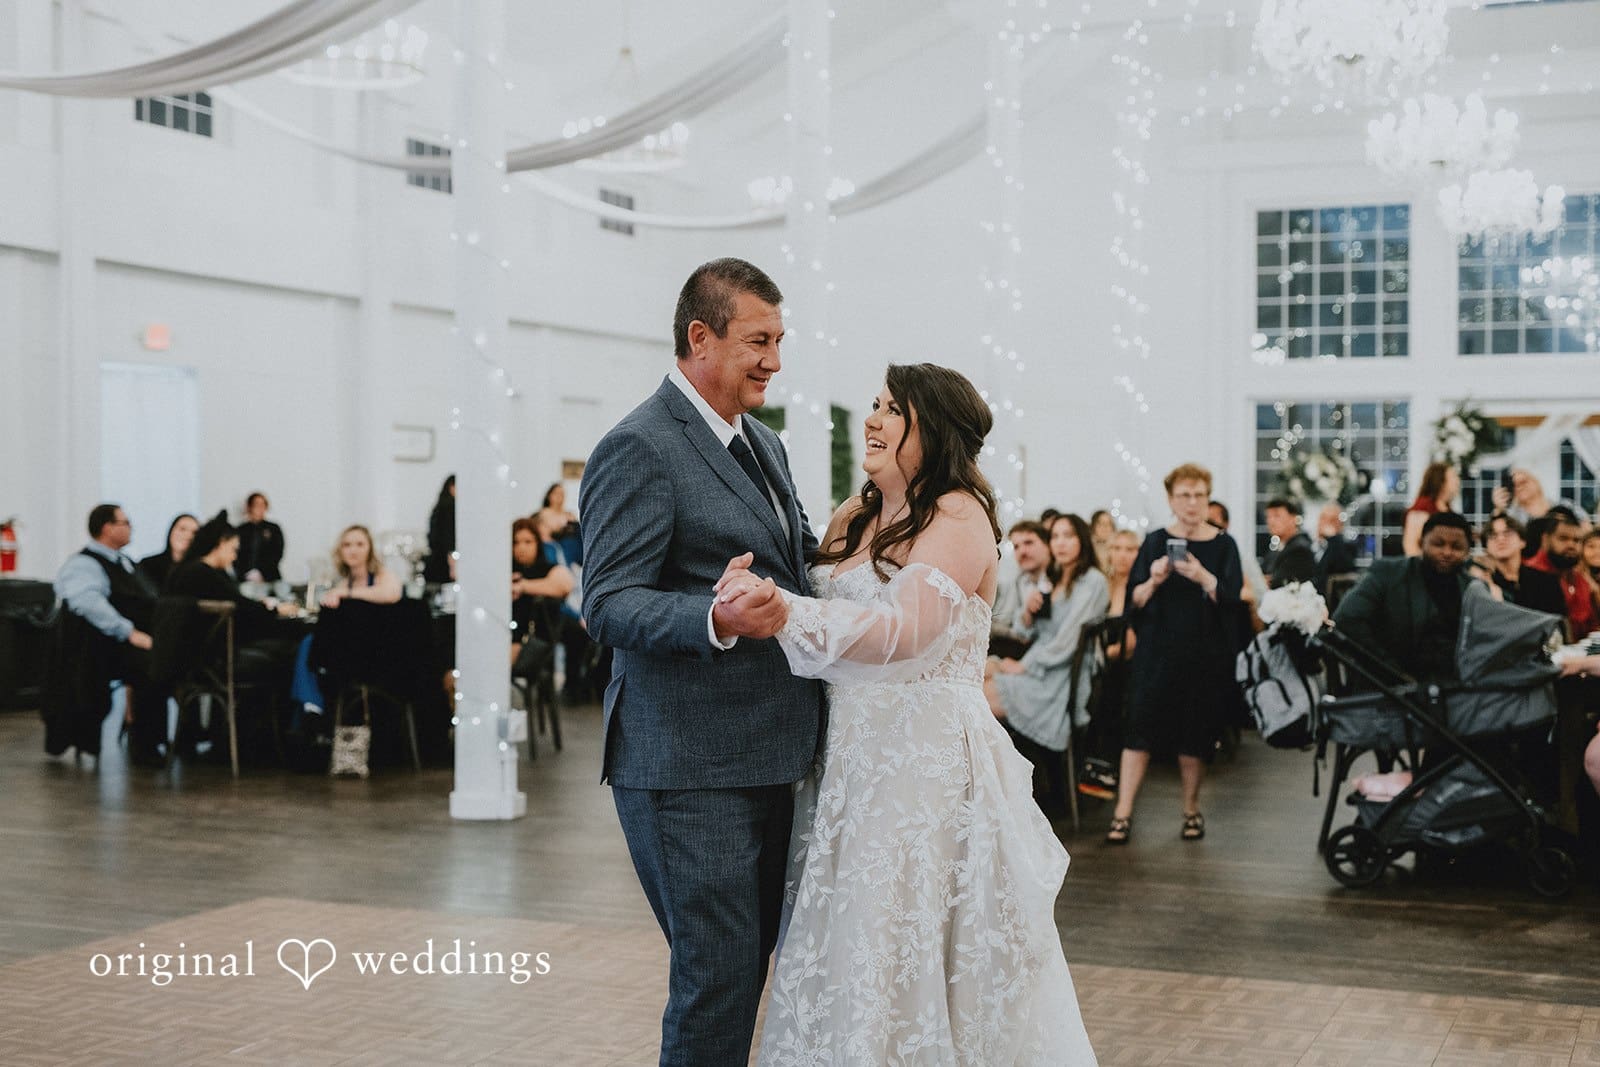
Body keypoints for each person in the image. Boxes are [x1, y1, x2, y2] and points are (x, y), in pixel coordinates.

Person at [716, 363, 1096, 1064]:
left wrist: (782, 611)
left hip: (924, 768)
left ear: (939, 432)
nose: (873, 420)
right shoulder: (851, 514)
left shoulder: (960, 515)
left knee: (904, 936)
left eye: (894, 410)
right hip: (846, 760)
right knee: (843, 937)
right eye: (874, 404)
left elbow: (906, 634)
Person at [578, 258, 825, 1066]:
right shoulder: (638, 446)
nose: (775, 360)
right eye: (759, 340)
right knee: (716, 982)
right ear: (700, 337)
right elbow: (607, 600)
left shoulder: (767, 443)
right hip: (687, 768)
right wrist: (712, 615)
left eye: (780, 340)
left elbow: (800, 562)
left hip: (769, 754)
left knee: (743, 970)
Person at [1107, 464, 1244, 845]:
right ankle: (1122, 814)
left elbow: (1232, 600)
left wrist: (1203, 576)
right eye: (1184, 495)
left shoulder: (1223, 544)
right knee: (1139, 729)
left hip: (1203, 654)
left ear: (1207, 497)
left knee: (1194, 735)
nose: (1192, 502)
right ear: (1171, 499)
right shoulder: (1153, 541)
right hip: (1155, 653)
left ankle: (1191, 809)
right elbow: (1132, 600)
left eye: (1199, 494)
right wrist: (1154, 578)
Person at [986, 512, 1110, 817]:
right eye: (1055, 536)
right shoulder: (1053, 578)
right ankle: (1005, 789)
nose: (1061, 543)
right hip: (1044, 669)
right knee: (976, 679)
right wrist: (1028, 612)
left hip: (1062, 680)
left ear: (1082, 539)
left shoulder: (1092, 580)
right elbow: (1027, 632)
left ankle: (1005, 795)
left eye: (1068, 536)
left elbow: (1068, 642)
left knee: (976, 699)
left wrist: (1027, 667)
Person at [46, 504, 161, 764]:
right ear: (107, 528)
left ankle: (157, 739)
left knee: (163, 660)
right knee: (151, 667)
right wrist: (129, 632)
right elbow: (88, 604)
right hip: (99, 648)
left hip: (127, 642)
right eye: (125, 522)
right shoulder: (83, 564)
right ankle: (145, 746)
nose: (130, 527)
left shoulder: (125, 562)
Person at [1332, 511, 1477, 684]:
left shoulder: (1472, 588)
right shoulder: (1388, 573)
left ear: (1468, 551)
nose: (1447, 552)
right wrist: (1391, 672)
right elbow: (1346, 620)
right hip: (1388, 691)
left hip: (1455, 691)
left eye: (1456, 547)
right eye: (1438, 544)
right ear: (1421, 542)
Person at [1526, 506, 1600, 641]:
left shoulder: (1580, 579)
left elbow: (1593, 628)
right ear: (1546, 539)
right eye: (1563, 538)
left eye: (1576, 540)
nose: (1571, 545)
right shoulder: (1530, 573)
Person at [1476, 511, 1566, 620]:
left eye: (1507, 533)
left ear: (1522, 541)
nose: (1500, 539)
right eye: (1493, 535)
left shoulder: (1546, 582)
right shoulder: (1484, 585)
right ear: (1486, 547)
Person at [509, 516, 573, 653]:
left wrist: (523, 586)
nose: (521, 548)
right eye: (515, 542)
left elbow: (565, 584)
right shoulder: (506, 572)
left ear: (537, 543)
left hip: (540, 645)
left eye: (528, 542)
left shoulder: (546, 569)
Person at [990, 519, 1051, 658]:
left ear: (1047, 545)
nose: (1022, 551)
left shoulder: (1059, 579)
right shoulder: (1020, 581)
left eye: (1029, 543)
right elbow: (1013, 623)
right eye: (1016, 546)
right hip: (1020, 649)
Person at [321, 525, 403, 609]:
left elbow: (391, 594)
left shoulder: (383, 575)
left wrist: (347, 593)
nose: (353, 550)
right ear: (340, 551)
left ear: (370, 549)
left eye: (360, 544)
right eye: (347, 545)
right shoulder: (343, 584)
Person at [1402, 462, 1460, 557]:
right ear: (1441, 481)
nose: (1458, 481)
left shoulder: (1447, 510)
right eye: (1453, 477)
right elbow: (1411, 547)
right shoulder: (1420, 510)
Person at [1262, 496, 1315, 588]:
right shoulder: (1276, 549)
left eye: (1276, 516)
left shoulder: (1299, 549)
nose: (1271, 521)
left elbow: (1279, 583)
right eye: (1268, 517)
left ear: (1293, 518)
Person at [137, 513, 198, 589]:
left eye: (195, 533)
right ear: (171, 532)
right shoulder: (147, 565)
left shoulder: (200, 570)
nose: (188, 536)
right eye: (182, 529)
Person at [235, 492, 285, 583]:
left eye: (263, 505)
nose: (260, 508)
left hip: (270, 577)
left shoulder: (273, 529)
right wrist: (245, 573)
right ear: (249, 507)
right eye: (256, 505)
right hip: (244, 577)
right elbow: (235, 555)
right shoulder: (240, 530)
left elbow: (277, 553)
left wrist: (262, 573)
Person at [1312, 502, 1359, 592]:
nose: (1324, 523)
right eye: (1323, 518)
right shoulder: (1310, 545)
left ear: (1340, 524)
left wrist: (1334, 538)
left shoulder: (1345, 546)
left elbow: (1345, 568)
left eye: (1332, 520)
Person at [422, 475, 456, 584]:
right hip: (445, 564)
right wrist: (453, 565)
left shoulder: (439, 508)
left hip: (435, 562)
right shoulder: (450, 507)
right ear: (452, 487)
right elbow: (449, 539)